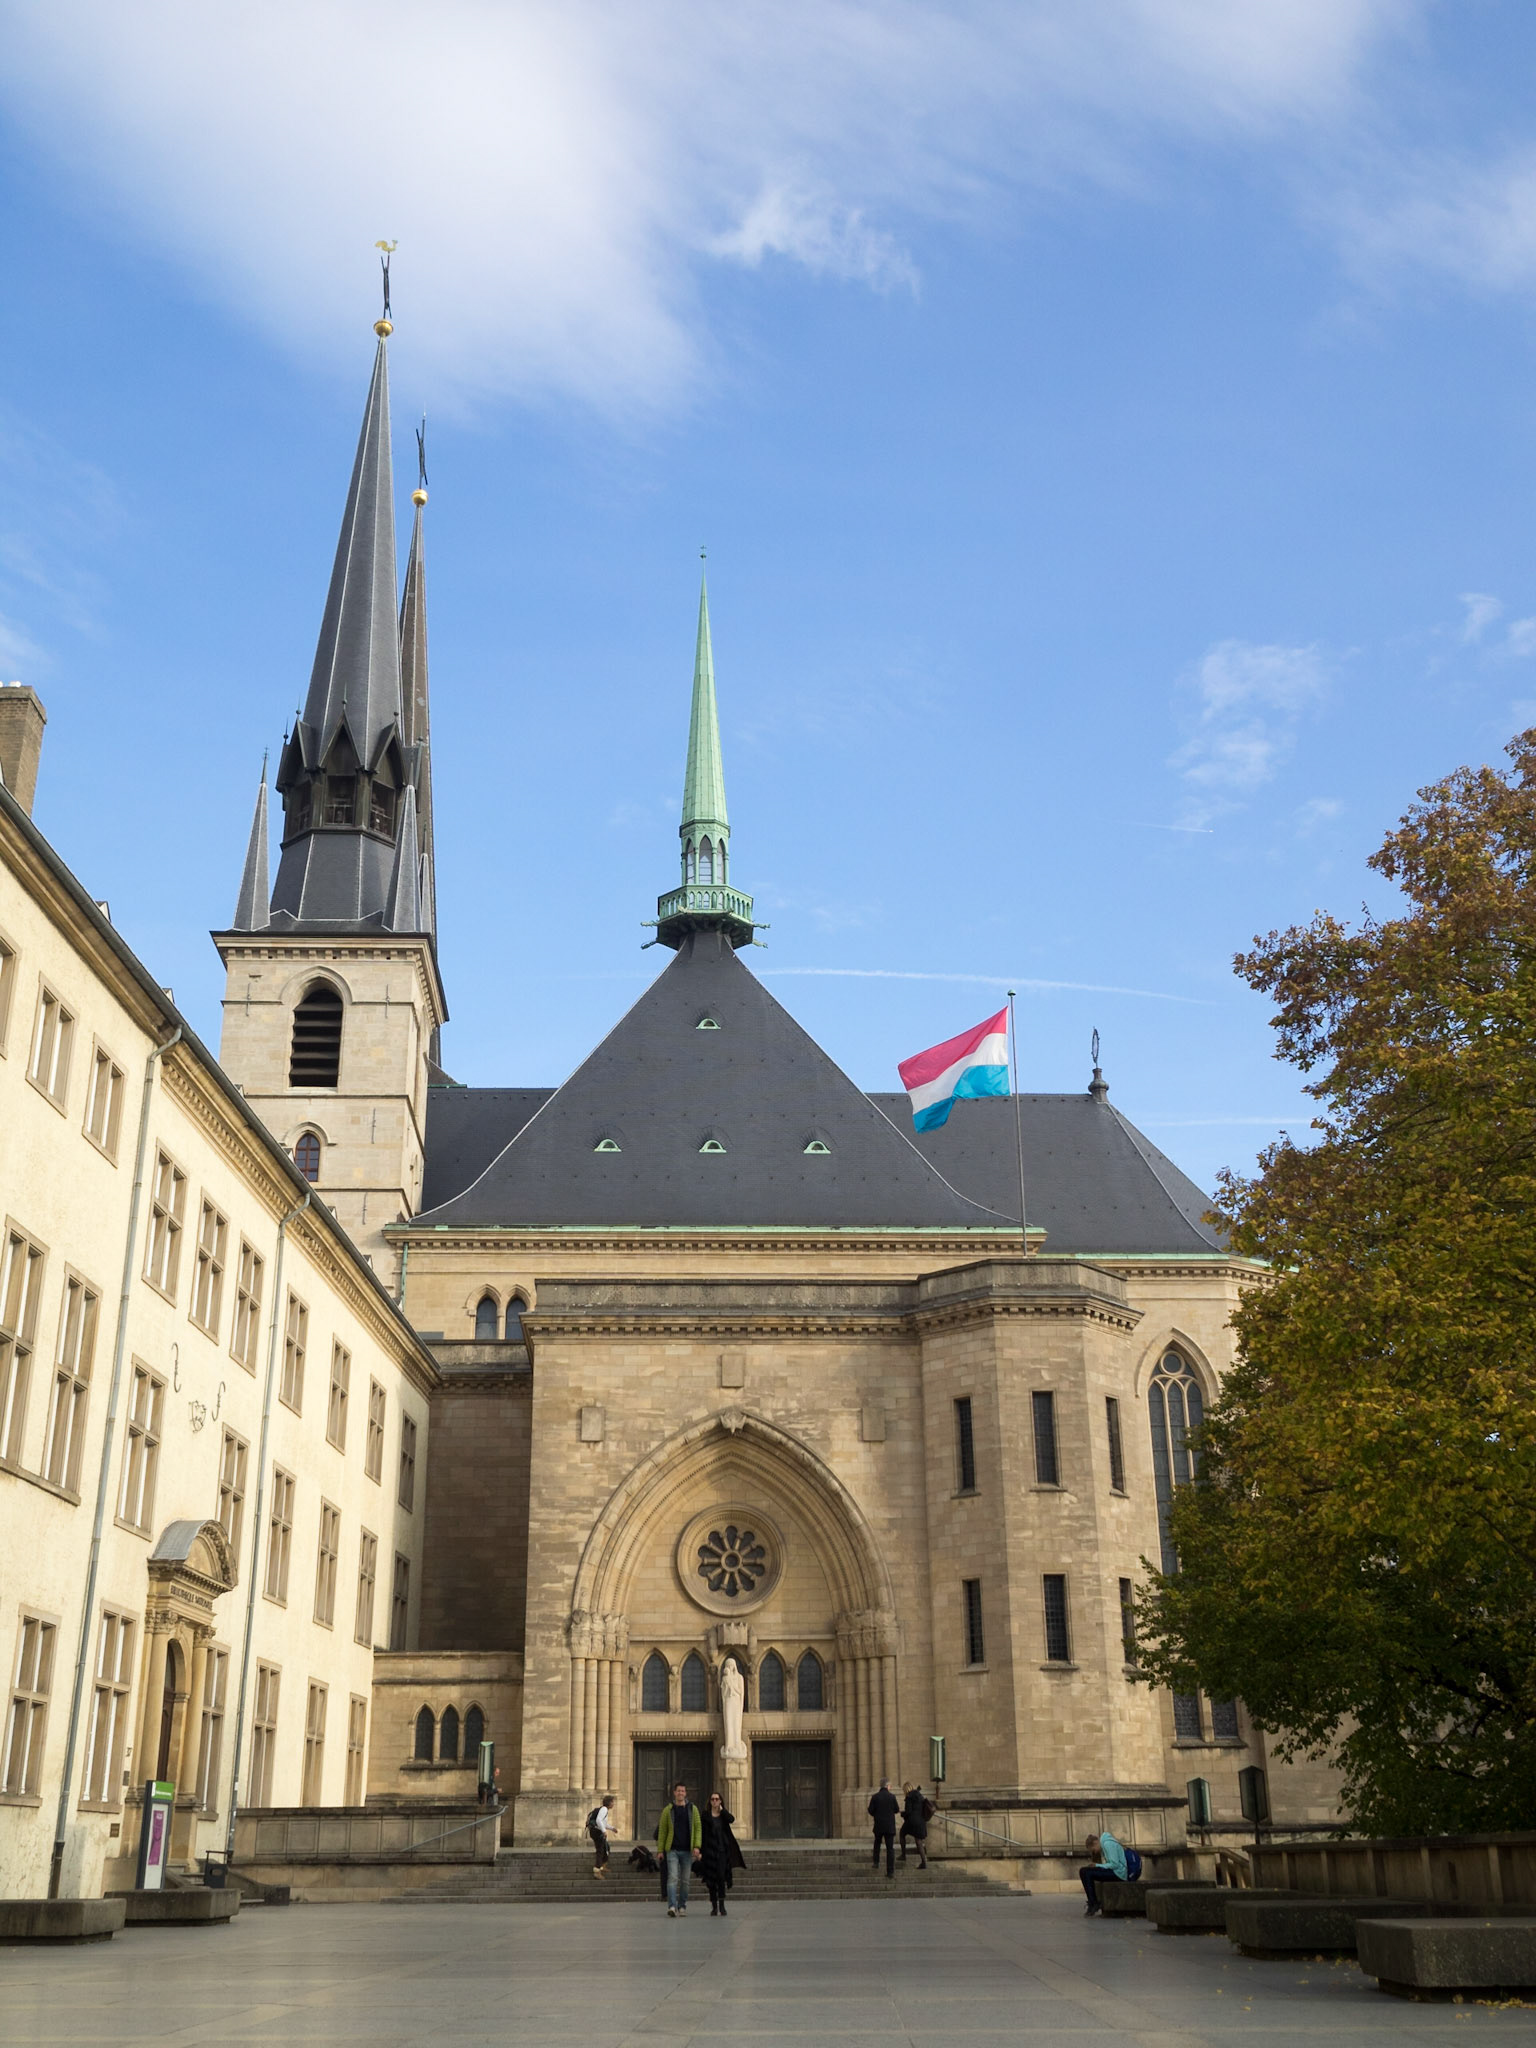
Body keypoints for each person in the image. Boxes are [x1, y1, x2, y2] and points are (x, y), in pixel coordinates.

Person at [656, 1780, 702, 1917]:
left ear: (685, 1793)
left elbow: (698, 1828)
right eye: (678, 1791)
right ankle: (671, 1906)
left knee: (686, 1881)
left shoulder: (692, 1809)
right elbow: (662, 1831)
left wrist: (697, 1846)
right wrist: (660, 1850)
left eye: (683, 1791)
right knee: (672, 1878)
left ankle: (682, 1906)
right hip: (672, 1850)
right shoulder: (668, 1810)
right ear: (674, 1793)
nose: (680, 1793)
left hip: (687, 1850)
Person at [697, 1789, 745, 1915]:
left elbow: (731, 1819)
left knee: (721, 1876)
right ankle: (714, 1906)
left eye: (717, 1799)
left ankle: (722, 1904)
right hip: (709, 1851)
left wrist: (722, 1810)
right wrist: (700, 1850)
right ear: (710, 1801)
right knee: (711, 1879)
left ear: (720, 1801)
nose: (714, 1801)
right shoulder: (705, 1816)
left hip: (722, 1850)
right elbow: (702, 1834)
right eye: (712, 1799)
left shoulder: (724, 1815)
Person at [1079, 1829, 1128, 1915]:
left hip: (1119, 1873)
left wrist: (1097, 1866)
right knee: (1083, 1871)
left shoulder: (1108, 1844)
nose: (1095, 1853)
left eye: (1093, 1850)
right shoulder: (1104, 1845)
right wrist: (1097, 1865)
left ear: (1095, 1843)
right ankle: (1092, 1902)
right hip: (1114, 1871)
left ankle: (1094, 1903)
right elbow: (1109, 1864)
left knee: (1088, 1873)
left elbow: (1114, 1864)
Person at [868, 1778, 900, 1878]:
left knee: (877, 1843)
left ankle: (876, 1862)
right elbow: (896, 1809)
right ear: (887, 1786)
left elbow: (870, 1810)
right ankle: (890, 1871)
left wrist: (877, 1814)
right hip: (889, 1826)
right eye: (890, 1786)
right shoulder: (892, 1797)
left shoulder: (875, 1797)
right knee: (890, 1848)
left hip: (879, 1825)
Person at [899, 1782, 929, 1870]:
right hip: (921, 1821)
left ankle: (903, 1855)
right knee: (918, 1841)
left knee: (902, 1833)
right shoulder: (919, 1795)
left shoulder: (909, 1797)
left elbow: (908, 1811)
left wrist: (902, 1813)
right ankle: (924, 1862)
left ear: (906, 1789)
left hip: (912, 1821)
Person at [588, 1792, 616, 1878]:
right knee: (600, 1850)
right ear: (609, 1802)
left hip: (596, 1831)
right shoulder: (604, 1809)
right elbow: (599, 1821)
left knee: (605, 1848)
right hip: (597, 1832)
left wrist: (612, 1828)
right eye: (612, 1802)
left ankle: (602, 1866)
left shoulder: (604, 1810)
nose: (613, 1804)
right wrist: (604, 1831)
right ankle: (597, 1870)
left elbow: (603, 1823)